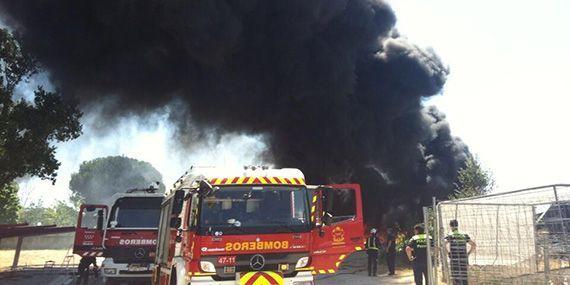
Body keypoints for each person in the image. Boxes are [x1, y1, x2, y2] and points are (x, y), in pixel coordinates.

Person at [445, 220, 476, 285]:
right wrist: (468, 254)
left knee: (455, 278)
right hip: (463, 259)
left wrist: (448, 253)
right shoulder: (464, 235)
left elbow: (443, 244)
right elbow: (473, 245)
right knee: (464, 277)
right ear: (457, 225)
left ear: (450, 226)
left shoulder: (450, 235)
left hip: (454, 259)